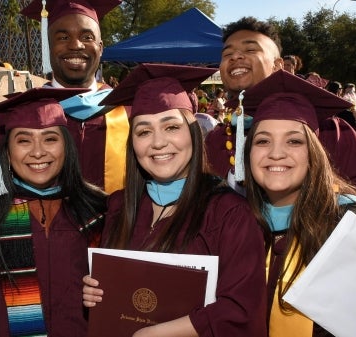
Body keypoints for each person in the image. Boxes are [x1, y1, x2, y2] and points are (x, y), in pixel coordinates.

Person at [204, 16, 356, 268]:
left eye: (250, 49)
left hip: (311, 269)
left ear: (279, 65)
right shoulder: (217, 139)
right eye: (228, 53)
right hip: (235, 271)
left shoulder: (322, 129)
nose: (236, 57)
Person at [83, 63, 267, 336]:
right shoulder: (120, 206)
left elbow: (242, 308)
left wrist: (163, 332)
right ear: (132, 143)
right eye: (144, 131)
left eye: (171, 127)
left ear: (193, 133)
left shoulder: (230, 213)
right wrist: (96, 292)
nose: (158, 143)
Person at [241, 70, 356, 337]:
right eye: (262, 140)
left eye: (294, 140)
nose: (276, 153)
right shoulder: (236, 219)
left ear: (315, 153)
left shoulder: (354, 224)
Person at [0, 87, 108, 337]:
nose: (38, 152)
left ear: (66, 146)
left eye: (50, 139)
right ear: (8, 151)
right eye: (24, 140)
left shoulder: (97, 210)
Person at [21, 0, 129, 194]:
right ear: (48, 47)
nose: (76, 45)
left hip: (120, 223)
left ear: (101, 47)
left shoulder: (129, 112)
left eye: (87, 37)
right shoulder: (19, 116)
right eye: (62, 37)